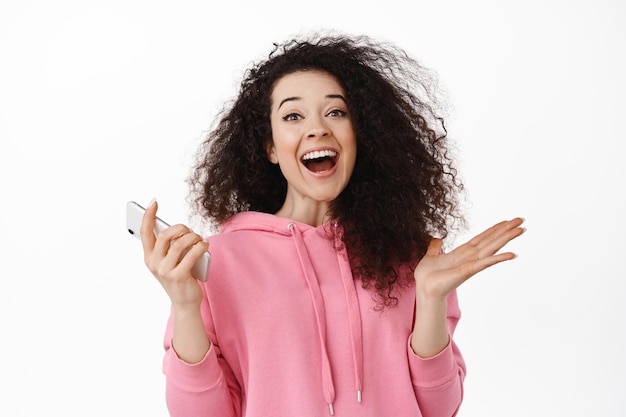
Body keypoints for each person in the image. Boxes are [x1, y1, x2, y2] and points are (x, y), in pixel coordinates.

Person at [139, 32, 525, 417]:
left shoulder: (412, 256)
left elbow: (439, 409)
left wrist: (430, 300)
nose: (318, 128)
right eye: (293, 115)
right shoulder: (216, 261)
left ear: (361, 135)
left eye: (336, 112)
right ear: (270, 147)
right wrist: (186, 307)